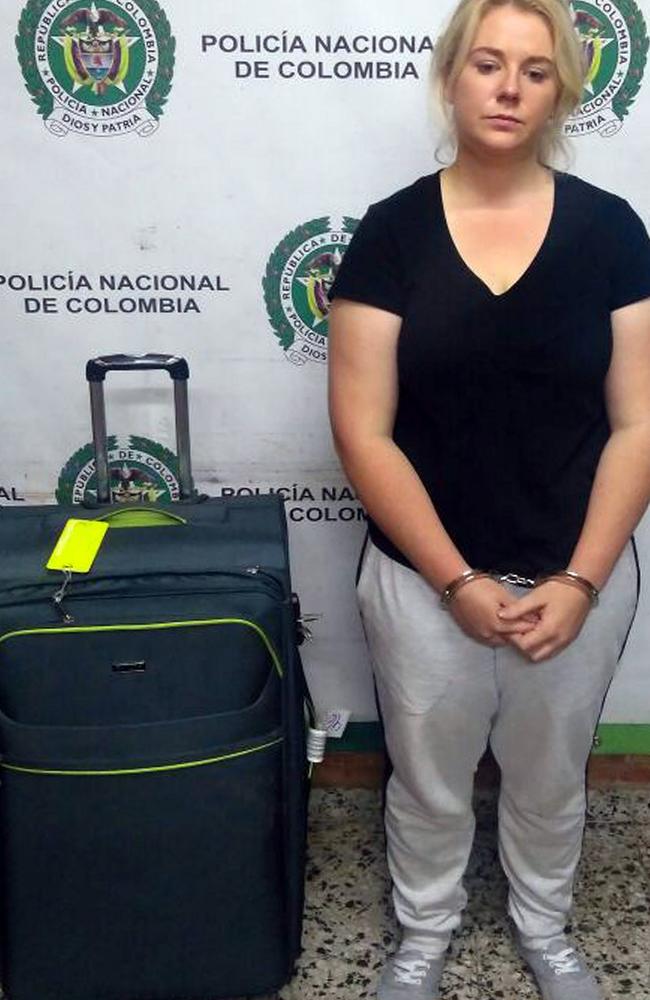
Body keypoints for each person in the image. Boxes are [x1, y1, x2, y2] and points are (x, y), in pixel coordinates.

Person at [327, 1, 650, 998]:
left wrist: (581, 579)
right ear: (451, 77)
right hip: (424, 580)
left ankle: (543, 927)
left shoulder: (608, 232)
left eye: (535, 70)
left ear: (560, 92)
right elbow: (362, 430)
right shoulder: (388, 237)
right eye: (487, 63)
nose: (508, 87)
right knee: (426, 778)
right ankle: (421, 935)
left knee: (549, 777)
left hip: (573, 575)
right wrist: (456, 578)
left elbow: (637, 423)